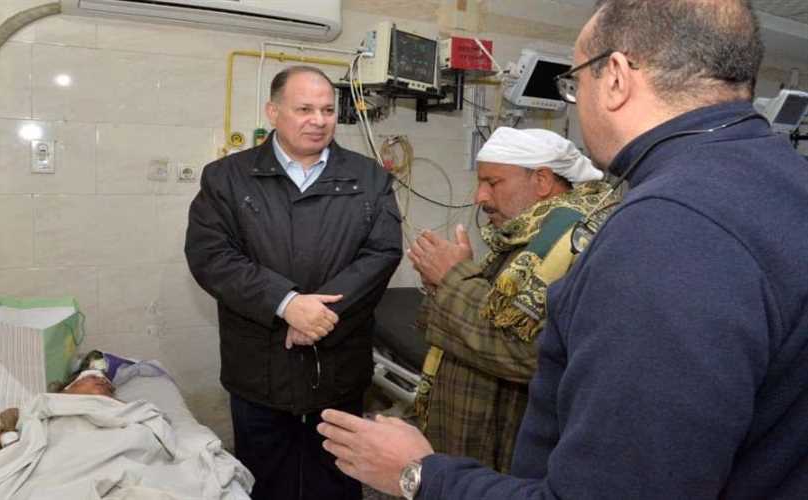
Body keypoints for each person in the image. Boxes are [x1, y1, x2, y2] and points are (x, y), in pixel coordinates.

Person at [316, 1, 808, 498]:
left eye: (575, 85)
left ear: (615, 78)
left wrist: (419, 474)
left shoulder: (665, 232)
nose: (575, 102)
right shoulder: (783, 181)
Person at [184, 65, 402, 500]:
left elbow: (382, 253)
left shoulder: (370, 177)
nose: (318, 120)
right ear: (273, 112)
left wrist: (319, 314)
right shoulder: (227, 177)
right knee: (265, 479)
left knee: (337, 476)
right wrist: (285, 304)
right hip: (260, 368)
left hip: (338, 363)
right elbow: (212, 256)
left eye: (327, 110)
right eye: (304, 109)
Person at [410, 127, 612, 473]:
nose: (480, 197)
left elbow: (523, 352)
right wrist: (442, 283)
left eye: (493, 182)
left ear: (542, 181)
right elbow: (494, 310)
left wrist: (453, 277)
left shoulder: (567, 241)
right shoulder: (527, 236)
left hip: (509, 444)